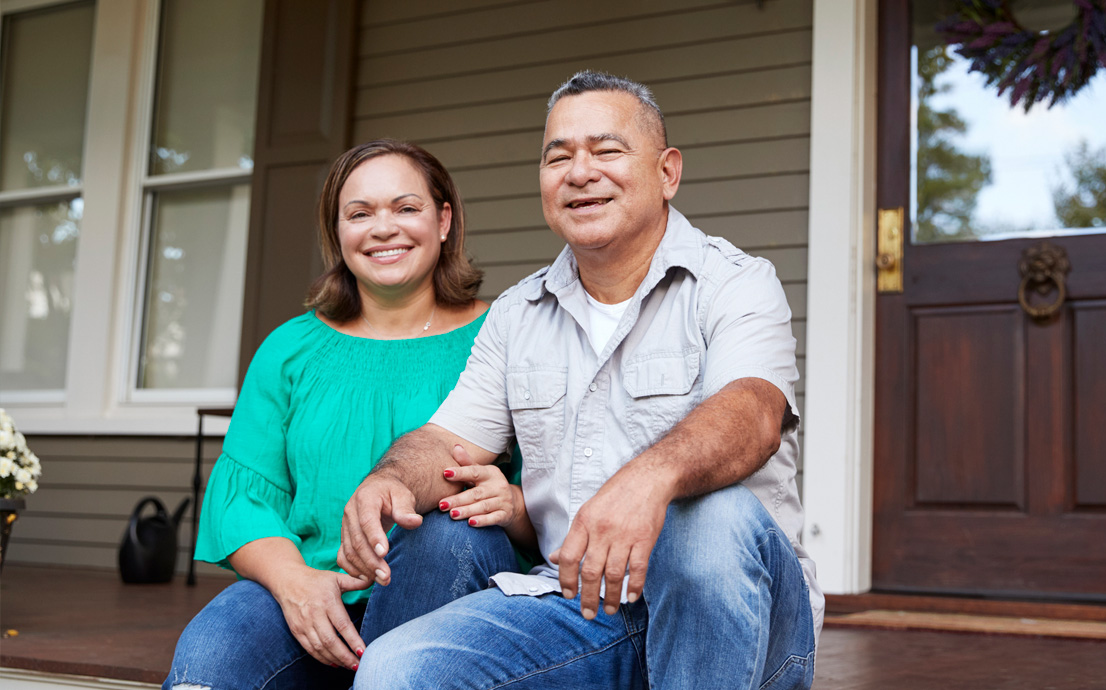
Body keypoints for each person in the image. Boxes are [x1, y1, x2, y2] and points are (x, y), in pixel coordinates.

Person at [340, 72, 823, 689]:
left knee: (708, 520)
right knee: (397, 669)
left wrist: (651, 478)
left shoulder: (736, 283)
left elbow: (754, 412)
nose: (579, 171)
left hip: (738, 618)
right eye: (558, 156)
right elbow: (447, 442)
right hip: (581, 608)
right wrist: (389, 479)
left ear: (667, 172)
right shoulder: (519, 313)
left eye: (607, 150)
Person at [163, 140, 535, 690]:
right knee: (213, 656)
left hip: (447, 597)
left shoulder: (506, 337)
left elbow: (552, 502)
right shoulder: (291, 349)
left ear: (444, 220)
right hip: (310, 587)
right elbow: (246, 501)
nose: (383, 228)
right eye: (359, 214)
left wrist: (513, 505)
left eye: (405, 208)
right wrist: (295, 584)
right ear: (337, 234)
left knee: (451, 540)